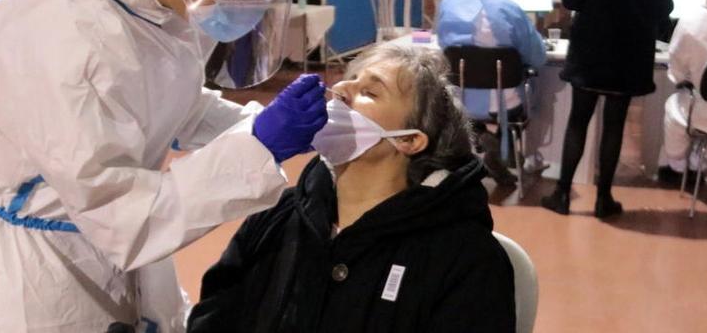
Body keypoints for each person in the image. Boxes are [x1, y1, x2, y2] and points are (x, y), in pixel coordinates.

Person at [0, 0, 328, 333]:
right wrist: (260, 146)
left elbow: (172, 105)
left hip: (114, 248)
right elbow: (121, 216)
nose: (245, 3)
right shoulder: (70, 38)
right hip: (43, 275)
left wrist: (259, 122)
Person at [187, 44, 516, 333]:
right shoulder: (276, 217)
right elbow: (215, 315)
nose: (341, 89)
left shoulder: (465, 260)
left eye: (371, 92)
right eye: (349, 78)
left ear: (409, 140)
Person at [541, 0, 673, 218]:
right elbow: (664, 5)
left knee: (578, 121)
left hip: (591, 47)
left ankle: (561, 195)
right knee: (614, 124)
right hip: (632, 50)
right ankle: (604, 199)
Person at [436, 0, 547, 185]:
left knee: (470, 102)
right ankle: (502, 147)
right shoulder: (510, 9)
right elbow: (537, 57)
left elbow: (444, 49)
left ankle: (483, 139)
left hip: (459, 100)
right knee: (529, 91)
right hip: (504, 103)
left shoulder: (447, 6)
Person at [660, 0, 707, 184]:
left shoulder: (692, 21)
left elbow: (676, 71)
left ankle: (679, 162)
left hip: (700, 113)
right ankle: (703, 158)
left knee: (674, 105)